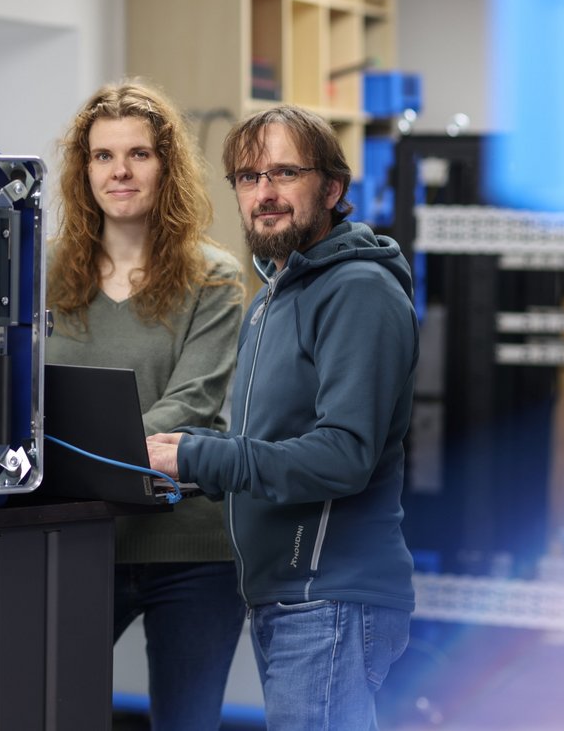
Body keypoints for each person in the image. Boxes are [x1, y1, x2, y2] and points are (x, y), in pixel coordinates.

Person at [146, 104, 418, 730]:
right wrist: (180, 458)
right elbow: (266, 445)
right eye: (248, 177)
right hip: (289, 597)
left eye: (285, 173)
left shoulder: (358, 290)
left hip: (329, 595)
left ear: (333, 189)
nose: (264, 193)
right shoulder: (274, 298)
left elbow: (343, 456)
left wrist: (199, 454)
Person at [45, 80, 246, 729]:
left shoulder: (213, 276)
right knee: (44, 708)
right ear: (84, 171)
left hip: (189, 545)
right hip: (77, 538)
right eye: (103, 156)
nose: (120, 172)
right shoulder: (42, 273)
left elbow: (190, 405)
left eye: (139, 154)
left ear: (166, 166)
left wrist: (65, 454)